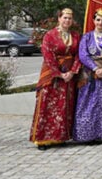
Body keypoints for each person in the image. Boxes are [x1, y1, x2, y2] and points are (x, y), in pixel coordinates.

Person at [29, 8, 81, 150]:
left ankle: (60, 137)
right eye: (64, 18)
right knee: (48, 105)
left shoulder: (76, 36)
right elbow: (48, 56)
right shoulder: (50, 36)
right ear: (59, 19)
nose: (67, 21)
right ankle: (42, 139)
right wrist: (59, 73)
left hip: (69, 76)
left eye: (69, 18)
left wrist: (72, 71)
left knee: (64, 106)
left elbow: (78, 55)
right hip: (52, 76)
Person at [74, 8, 102, 143]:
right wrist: (94, 68)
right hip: (89, 75)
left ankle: (101, 133)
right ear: (93, 21)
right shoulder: (86, 37)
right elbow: (83, 54)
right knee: (87, 103)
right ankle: (86, 134)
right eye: (98, 20)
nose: (100, 22)